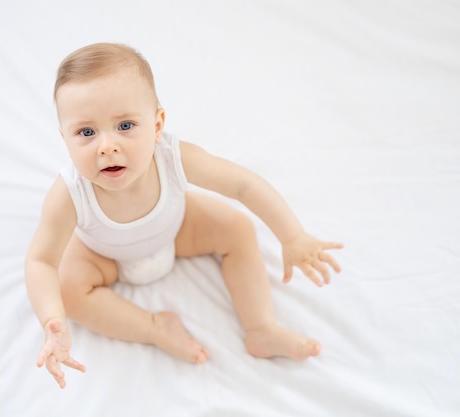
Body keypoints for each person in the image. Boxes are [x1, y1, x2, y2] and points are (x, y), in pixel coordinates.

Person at [25, 42, 343, 389]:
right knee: (68, 289)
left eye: (126, 125)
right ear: (65, 139)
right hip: (103, 255)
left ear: (158, 124)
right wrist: (52, 319)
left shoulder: (172, 157)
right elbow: (41, 260)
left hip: (177, 229)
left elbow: (243, 186)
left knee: (237, 228)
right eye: (86, 133)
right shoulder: (69, 193)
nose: (107, 146)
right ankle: (154, 328)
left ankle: (261, 328)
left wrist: (292, 236)